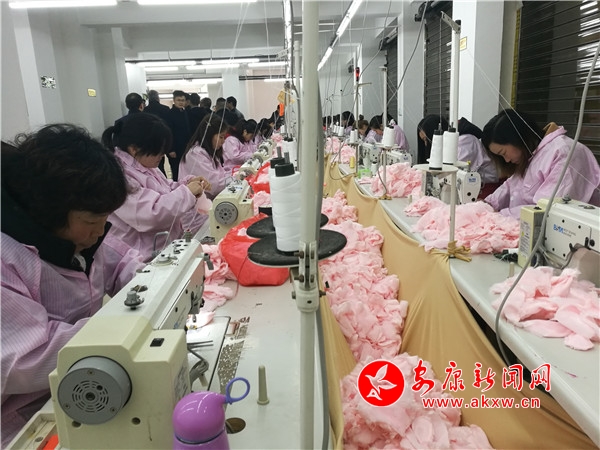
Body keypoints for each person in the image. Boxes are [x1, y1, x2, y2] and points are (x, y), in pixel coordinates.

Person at [1, 124, 146, 447]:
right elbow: (26, 357)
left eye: (104, 220)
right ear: (49, 213)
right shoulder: (8, 258)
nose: (100, 231)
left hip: (84, 383)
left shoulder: (76, 239)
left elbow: (121, 262)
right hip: (23, 420)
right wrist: (127, 328)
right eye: (92, 221)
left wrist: (150, 282)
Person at [102, 113, 210, 261]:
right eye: (158, 151)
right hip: (142, 258)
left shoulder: (144, 163)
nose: (162, 155)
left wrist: (186, 184)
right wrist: (187, 193)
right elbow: (150, 213)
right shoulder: (118, 175)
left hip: (165, 246)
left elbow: (165, 188)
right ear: (134, 149)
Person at [482, 108, 600, 218]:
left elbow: (547, 208)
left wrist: (499, 215)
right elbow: (511, 186)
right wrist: (487, 204)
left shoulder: (563, 152)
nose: (506, 160)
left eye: (503, 153)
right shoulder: (532, 154)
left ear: (517, 138)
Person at [417, 114, 502, 196]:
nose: (426, 144)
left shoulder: (465, 142)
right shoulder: (451, 144)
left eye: (426, 140)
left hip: (488, 188)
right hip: (472, 186)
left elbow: (452, 172)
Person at [179, 115, 229, 200]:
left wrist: (234, 175)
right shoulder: (195, 154)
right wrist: (234, 179)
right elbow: (213, 184)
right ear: (209, 135)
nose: (223, 141)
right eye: (221, 137)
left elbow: (220, 174)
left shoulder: (209, 152)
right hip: (200, 203)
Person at [165, 90, 192, 181]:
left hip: (185, 148)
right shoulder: (169, 114)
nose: (181, 102)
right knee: (176, 171)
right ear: (174, 100)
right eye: (178, 100)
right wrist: (170, 149)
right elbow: (168, 132)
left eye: (183, 100)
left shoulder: (185, 113)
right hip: (175, 149)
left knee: (186, 170)